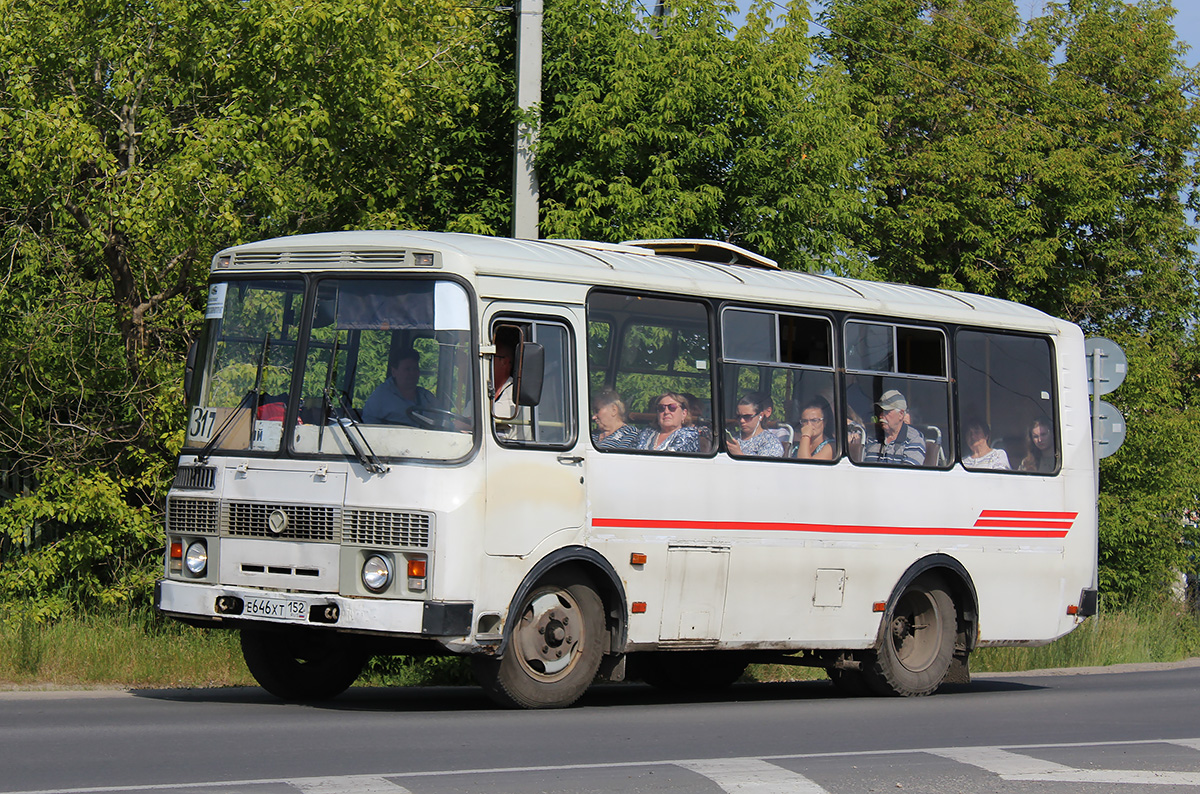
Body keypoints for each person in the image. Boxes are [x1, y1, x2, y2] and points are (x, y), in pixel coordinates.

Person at [362, 348, 438, 425]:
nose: (412, 373)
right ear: (394, 372)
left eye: (415, 369)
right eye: (407, 369)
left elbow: (442, 422)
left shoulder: (427, 397)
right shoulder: (380, 396)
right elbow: (369, 425)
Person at [863, 389, 925, 465]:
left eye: (886, 411)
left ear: (901, 414)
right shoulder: (872, 438)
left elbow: (908, 473)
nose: (881, 416)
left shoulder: (914, 438)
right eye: (880, 411)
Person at [491, 332, 530, 442]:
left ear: (504, 362)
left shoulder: (514, 391)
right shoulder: (485, 390)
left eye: (491, 357)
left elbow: (490, 420)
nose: (485, 362)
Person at [635, 392, 700, 453]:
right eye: (661, 408)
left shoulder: (689, 435)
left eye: (672, 407)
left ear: (684, 413)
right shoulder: (646, 433)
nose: (666, 412)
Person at [726, 392, 783, 457]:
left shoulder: (770, 441)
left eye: (747, 416)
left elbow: (765, 466)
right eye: (738, 416)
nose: (742, 420)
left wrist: (738, 455)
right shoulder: (733, 438)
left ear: (760, 416)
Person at [793, 396, 835, 461]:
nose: (809, 425)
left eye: (814, 420)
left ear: (824, 422)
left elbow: (805, 465)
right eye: (804, 421)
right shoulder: (798, 446)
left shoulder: (830, 446)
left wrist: (805, 435)